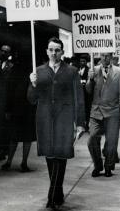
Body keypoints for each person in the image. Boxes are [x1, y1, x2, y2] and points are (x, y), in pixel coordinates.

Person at [28, 37, 85, 209]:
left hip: (64, 119)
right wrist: (32, 84)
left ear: (62, 52)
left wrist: (80, 123)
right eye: (51, 49)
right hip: (44, 119)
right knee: (50, 156)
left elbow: (79, 99)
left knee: (61, 155)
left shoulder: (72, 71)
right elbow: (31, 99)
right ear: (47, 51)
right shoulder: (38, 71)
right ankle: (58, 192)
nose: (54, 53)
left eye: (57, 50)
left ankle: (52, 195)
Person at [86, 52, 120, 177]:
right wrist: (89, 79)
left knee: (111, 142)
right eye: (102, 56)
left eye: (107, 55)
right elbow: (88, 91)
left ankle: (109, 166)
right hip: (96, 111)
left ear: (112, 57)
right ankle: (97, 165)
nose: (104, 58)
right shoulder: (94, 70)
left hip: (113, 111)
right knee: (92, 139)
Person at [1, 54, 36, 172]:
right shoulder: (32, 72)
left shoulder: (14, 72)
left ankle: (9, 161)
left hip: (16, 108)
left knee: (14, 137)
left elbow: (8, 92)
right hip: (28, 109)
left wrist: (7, 109)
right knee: (27, 137)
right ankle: (24, 162)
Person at [78, 54, 91, 131]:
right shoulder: (77, 70)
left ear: (86, 62)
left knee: (87, 109)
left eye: (84, 61)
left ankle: (87, 124)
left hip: (86, 93)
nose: (82, 62)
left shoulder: (89, 70)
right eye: (81, 61)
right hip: (79, 93)